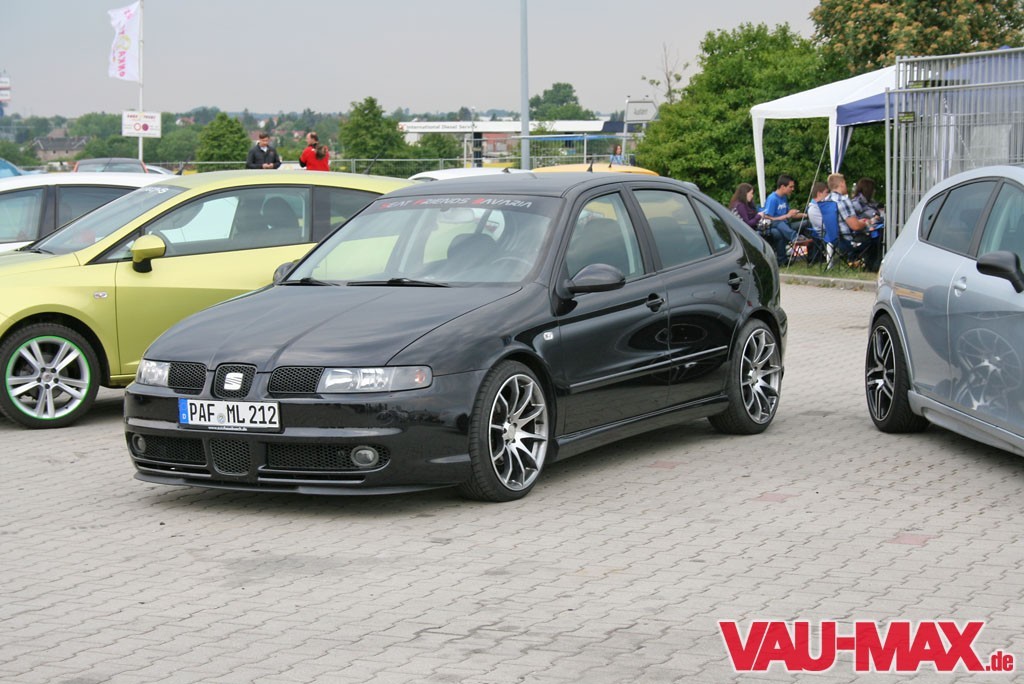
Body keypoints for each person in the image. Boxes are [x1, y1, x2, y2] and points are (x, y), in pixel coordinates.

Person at [827, 172, 881, 269]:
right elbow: (855, 226)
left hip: (833, 240)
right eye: (845, 183)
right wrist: (867, 222)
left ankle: (862, 264)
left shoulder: (827, 200)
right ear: (841, 183)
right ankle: (872, 268)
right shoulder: (842, 201)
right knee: (878, 237)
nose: (846, 186)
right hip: (848, 241)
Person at [761, 174, 806, 264]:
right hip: (775, 225)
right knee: (779, 223)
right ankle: (795, 237)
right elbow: (766, 217)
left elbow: (789, 214)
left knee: (806, 223)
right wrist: (786, 216)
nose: (792, 189)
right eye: (790, 187)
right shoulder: (772, 199)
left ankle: (814, 256)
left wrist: (805, 215)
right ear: (782, 187)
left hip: (786, 226)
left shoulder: (784, 198)